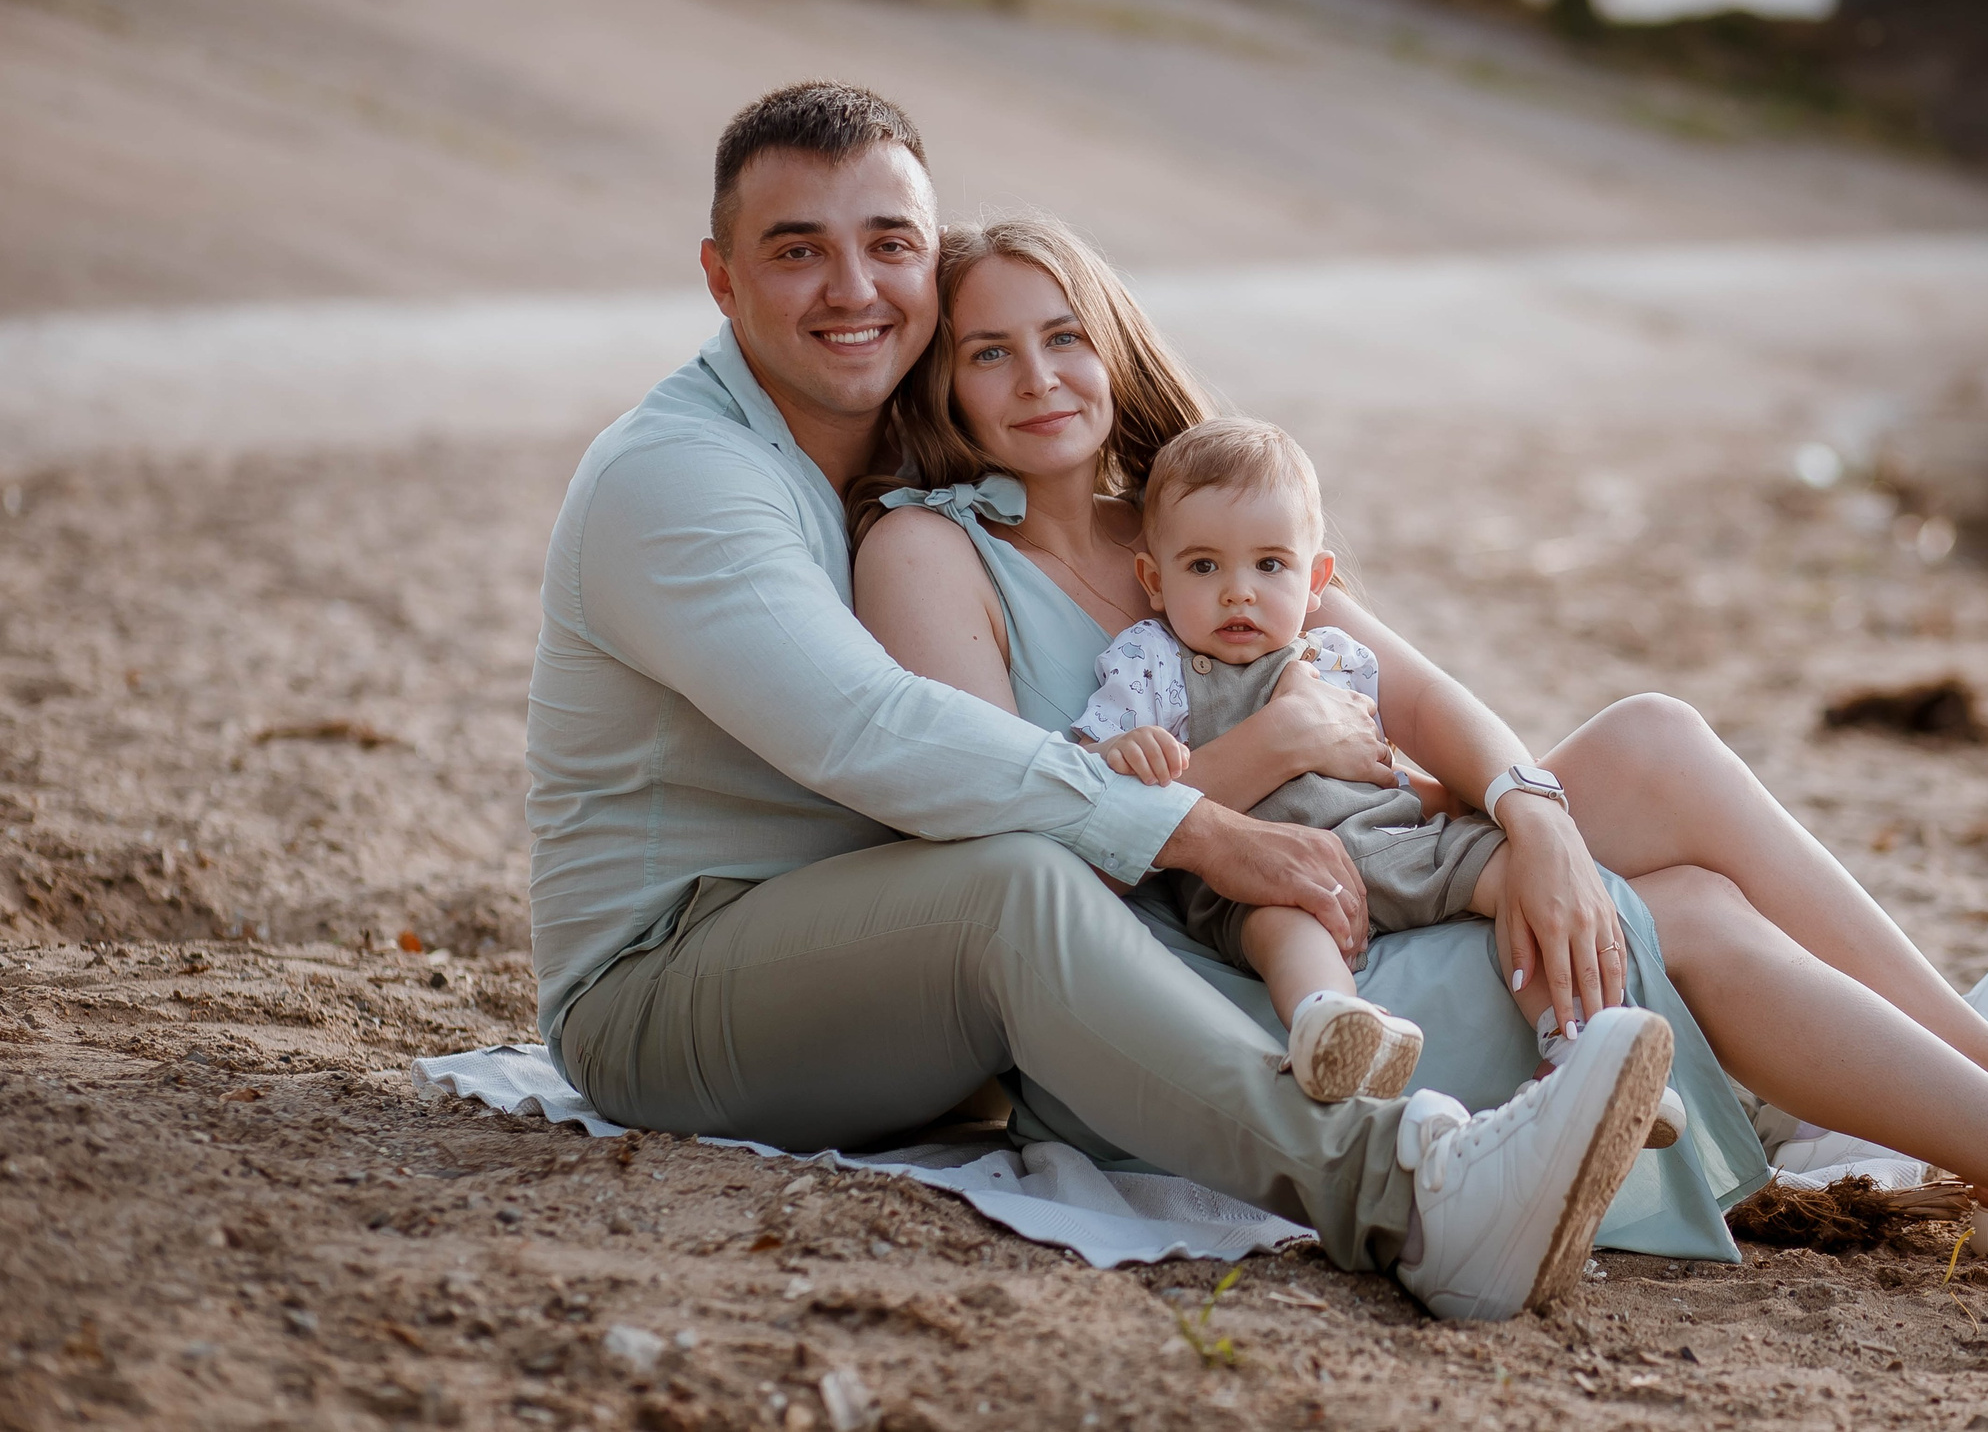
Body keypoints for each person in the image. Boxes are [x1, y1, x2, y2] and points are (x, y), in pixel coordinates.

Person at [853, 208, 1988, 1327]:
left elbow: (1424, 696)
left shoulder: (1195, 505)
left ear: (1114, 340)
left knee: (1648, 742)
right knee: (1695, 914)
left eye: (1065, 333)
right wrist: (1270, 750)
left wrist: (1531, 814)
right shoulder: (932, 549)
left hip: (1373, 867)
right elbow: (1022, 835)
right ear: (946, 384)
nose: (1039, 375)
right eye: (991, 350)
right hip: (1217, 975)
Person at [525, 79, 1682, 1323]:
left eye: (890, 244)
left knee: (1651, 814)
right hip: (667, 986)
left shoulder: (895, 453)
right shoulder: (682, 477)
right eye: (797, 250)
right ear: (720, 277)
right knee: (1012, 884)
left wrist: (1506, 797)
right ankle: (1411, 1195)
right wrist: (1200, 827)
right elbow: (868, 729)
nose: (853, 289)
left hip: (871, 950)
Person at [1064, 414, 1687, 1147]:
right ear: (1154, 580)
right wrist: (1127, 748)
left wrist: (1461, 804)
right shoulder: (1149, 662)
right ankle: (1334, 1024)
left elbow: (1382, 770)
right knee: (1280, 927)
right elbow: (1083, 777)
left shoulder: (1335, 658)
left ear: (1315, 580)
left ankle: (1581, 1046)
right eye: (1203, 567)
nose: (1238, 592)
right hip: (1261, 872)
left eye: (1269, 566)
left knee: (1514, 869)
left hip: (1391, 841)